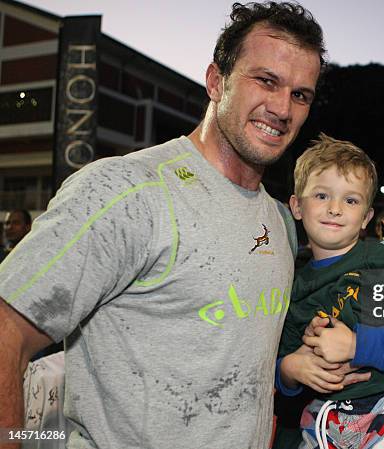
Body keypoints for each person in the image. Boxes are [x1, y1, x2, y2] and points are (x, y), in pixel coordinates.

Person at [0, 2, 324, 448]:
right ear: (216, 81)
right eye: (266, 81)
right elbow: (6, 329)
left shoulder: (280, 221)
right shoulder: (128, 192)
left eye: (300, 94)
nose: (282, 108)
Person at [277, 134, 384, 449]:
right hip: (317, 420)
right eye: (321, 195)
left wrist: (358, 345)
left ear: (366, 218)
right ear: (297, 206)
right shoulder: (292, 281)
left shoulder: (382, 265)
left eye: (351, 200)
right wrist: (289, 371)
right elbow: (285, 360)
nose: (335, 209)